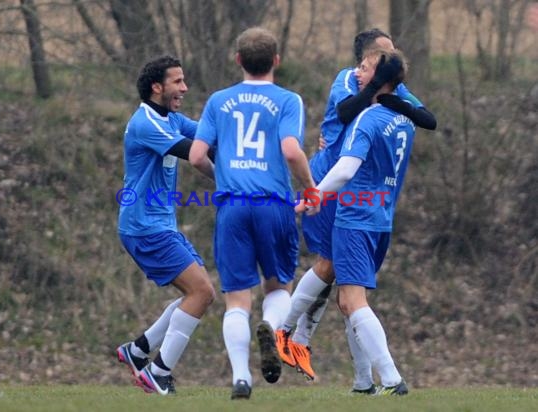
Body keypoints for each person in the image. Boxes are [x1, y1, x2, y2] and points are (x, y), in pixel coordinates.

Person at [275, 28, 436, 390]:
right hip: (361, 203)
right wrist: (381, 97)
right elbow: (351, 110)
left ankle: (292, 335)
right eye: (372, 61)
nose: (363, 71)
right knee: (345, 289)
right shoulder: (358, 90)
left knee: (349, 294)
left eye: (373, 67)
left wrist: (311, 196)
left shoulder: (378, 114)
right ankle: (357, 377)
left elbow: (350, 163)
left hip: (349, 199)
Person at [189, 27, 316, 400]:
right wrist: (309, 187)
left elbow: (197, 156)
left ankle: (241, 378)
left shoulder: (218, 101)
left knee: (236, 299)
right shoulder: (288, 100)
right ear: (276, 61)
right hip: (274, 205)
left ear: (238, 60)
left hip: (232, 206)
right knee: (278, 286)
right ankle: (271, 325)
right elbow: (291, 151)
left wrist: (224, 176)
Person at [301, 47, 414, 395]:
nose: (357, 75)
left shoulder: (369, 118)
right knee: (349, 300)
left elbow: (347, 168)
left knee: (353, 301)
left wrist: (315, 193)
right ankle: (364, 385)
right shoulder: (404, 119)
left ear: (379, 79)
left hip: (355, 218)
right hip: (381, 218)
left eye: (364, 70)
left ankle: (393, 380)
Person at [115, 55, 216, 396]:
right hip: (144, 227)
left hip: (161, 225)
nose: (184, 88)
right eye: (177, 82)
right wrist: (237, 174)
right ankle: (158, 373)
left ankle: (139, 350)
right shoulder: (146, 123)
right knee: (201, 292)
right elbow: (195, 151)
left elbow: (206, 135)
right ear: (156, 87)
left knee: (197, 292)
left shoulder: (170, 117)